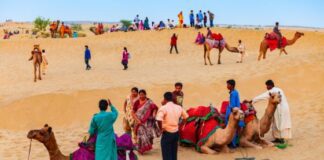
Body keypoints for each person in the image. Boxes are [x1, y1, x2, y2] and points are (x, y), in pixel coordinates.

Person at [156, 92, 189, 160]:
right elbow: (186, 117)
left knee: (166, 154)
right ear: (173, 98)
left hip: (167, 133)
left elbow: (159, 119)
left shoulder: (163, 108)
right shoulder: (178, 107)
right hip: (176, 133)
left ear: (164, 99)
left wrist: (161, 128)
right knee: (173, 153)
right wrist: (181, 125)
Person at [132, 89, 161, 154]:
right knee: (140, 133)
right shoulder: (137, 102)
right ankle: (141, 149)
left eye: (143, 95)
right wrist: (137, 120)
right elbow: (133, 112)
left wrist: (154, 114)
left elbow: (155, 108)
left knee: (148, 135)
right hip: (138, 121)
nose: (141, 96)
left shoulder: (149, 101)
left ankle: (147, 145)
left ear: (145, 94)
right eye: (140, 95)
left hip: (148, 121)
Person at [226, 79, 244, 148]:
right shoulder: (235, 92)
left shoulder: (233, 93)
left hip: (234, 111)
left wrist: (229, 113)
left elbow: (232, 105)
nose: (227, 86)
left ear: (232, 85)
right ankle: (235, 142)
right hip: (237, 110)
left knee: (231, 128)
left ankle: (232, 143)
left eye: (228, 84)